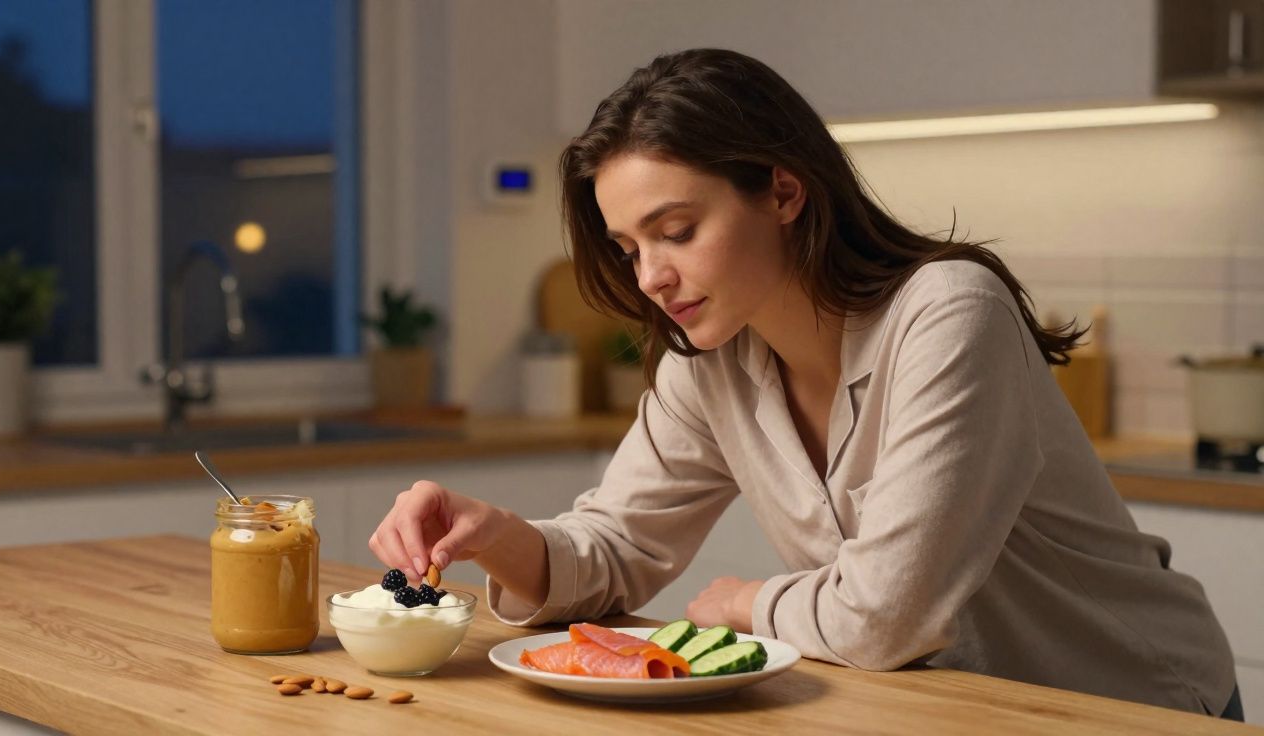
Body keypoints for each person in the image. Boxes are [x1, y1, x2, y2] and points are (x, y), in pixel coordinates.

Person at [370, 48, 1242, 720]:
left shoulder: (947, 314)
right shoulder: (707, 362)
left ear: (783, 191)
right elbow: (613, 553)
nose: (651, 278)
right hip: (949, 713)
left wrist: (749, 602)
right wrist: (492, 535)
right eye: (630, 248)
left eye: (676, 230)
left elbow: (889, 615)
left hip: (1135, 708)